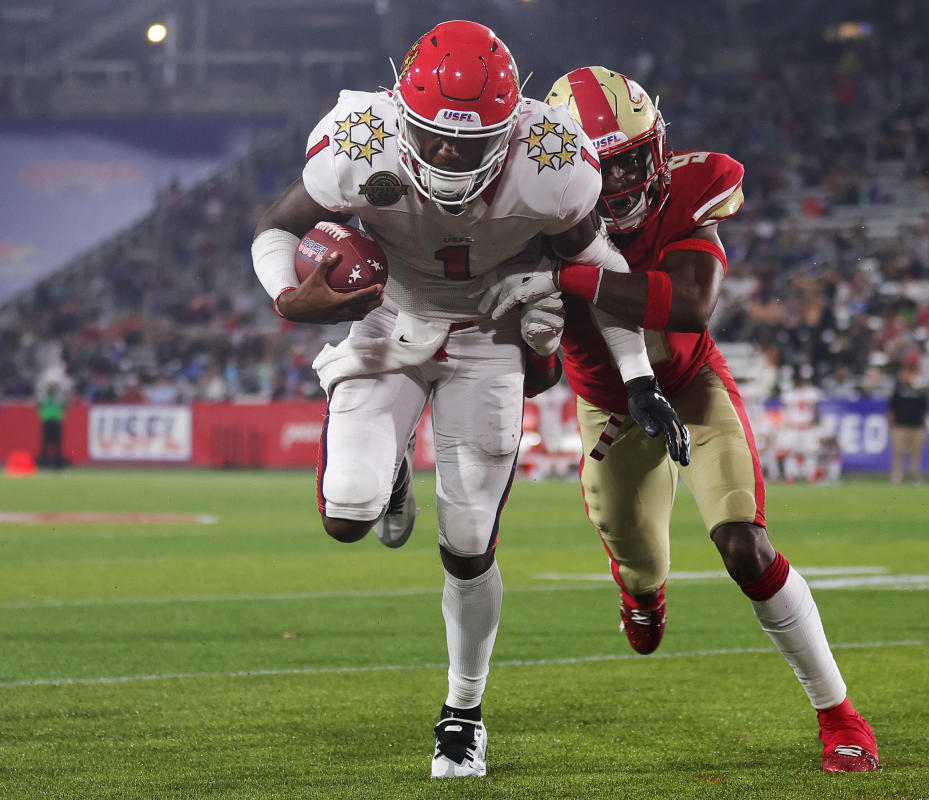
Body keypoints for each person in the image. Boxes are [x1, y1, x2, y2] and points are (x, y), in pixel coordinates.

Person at [249, 23, 688, 779]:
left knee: (467, 541)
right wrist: (290, 298)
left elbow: (600, 266)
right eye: (434, 137)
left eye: (472, 142)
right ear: (401, 111)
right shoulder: (361, 137)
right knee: (346, 514)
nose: (450, 155)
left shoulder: (552, 158)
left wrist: (638, 376)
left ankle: (462, 713)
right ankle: (389, 476)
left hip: (488, 331)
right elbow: (276, 229)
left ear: (511, 123)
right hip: (389, 315)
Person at [481, 66, 878, 773]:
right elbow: (536, 374)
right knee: (642, 563)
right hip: (610, 410)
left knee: (744, 548)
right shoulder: (527, 223)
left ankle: (838, 715)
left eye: (638, 155)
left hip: (692, 388)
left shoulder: (695, 186)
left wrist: (563, 276)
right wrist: (531, 326)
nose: (631, 178)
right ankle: (642, 594)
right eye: (612, 166)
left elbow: (690, 303)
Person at [887, 363, 929, 485]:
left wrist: (924, 426)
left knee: (916, 454)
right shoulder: (898, 390)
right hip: (900, 426)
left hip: (917, 426)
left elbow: (925, 410)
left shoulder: (920, 391)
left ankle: (915, 476)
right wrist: (892, 425)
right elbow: (892, 409)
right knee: (898, 453)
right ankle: (896, 477)